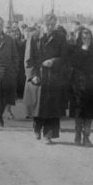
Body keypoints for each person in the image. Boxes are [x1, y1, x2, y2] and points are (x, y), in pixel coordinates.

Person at [24, 14, 67, 144]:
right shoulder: (34, 37)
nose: (50, 27)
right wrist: (33, 76)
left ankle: (48, 134)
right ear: (42, 24)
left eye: (52, 25)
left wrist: (54, 61)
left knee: (52, 108)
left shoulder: (60, 37)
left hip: (54, 77)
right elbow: (28, 59)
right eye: (47, 24)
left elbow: (65, 58)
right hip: (39, 76)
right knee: (38, 106)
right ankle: (37, 127)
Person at [69, 28, 93, 146]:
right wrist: (84, 50)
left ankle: (86, 137)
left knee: (89, 112)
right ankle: (77, 136)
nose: (86, 40)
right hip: (78, 85)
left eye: (89, 38)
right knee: (79, 112)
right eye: (84, 38)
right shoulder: (76, 50)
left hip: (91, 85)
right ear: (80, 38)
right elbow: (75, 64)